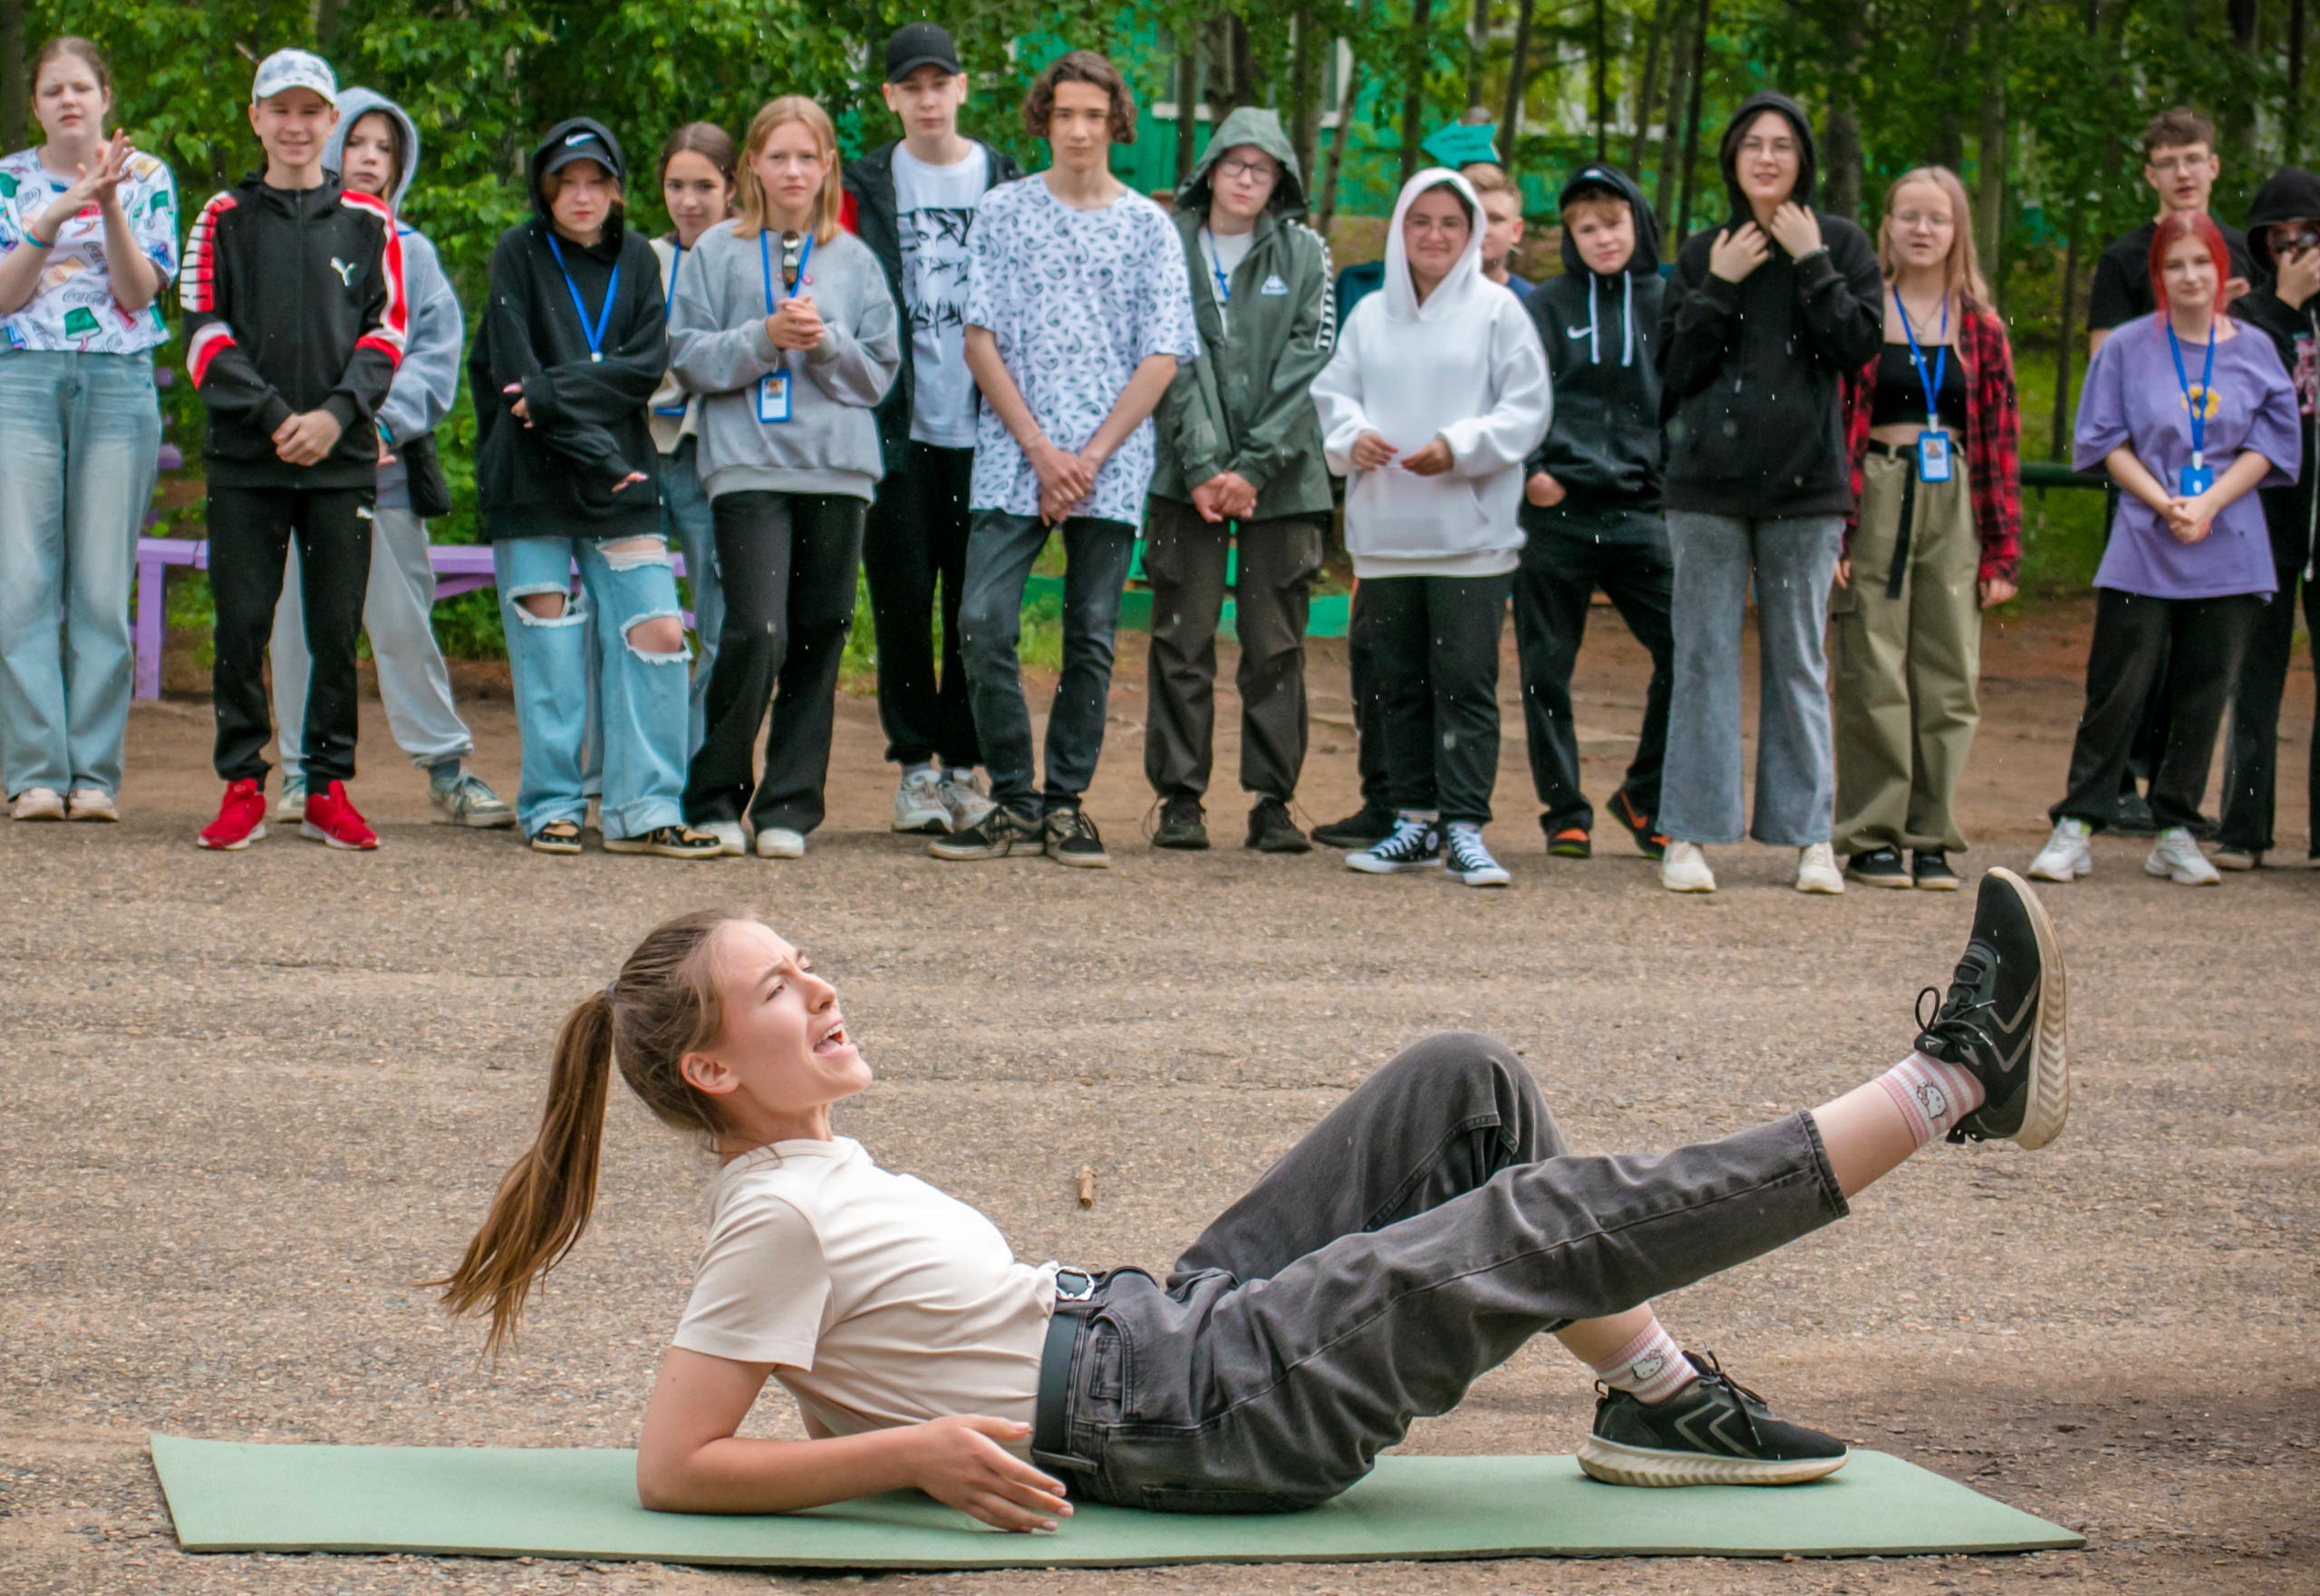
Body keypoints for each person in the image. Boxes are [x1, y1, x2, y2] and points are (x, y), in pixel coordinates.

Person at [436, 868, 2070, 1522]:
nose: (823, 989)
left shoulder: (808, 1174)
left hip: (1160, 1336)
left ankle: (1658, 1399)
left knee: (1465, 1084)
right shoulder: (773, 1215)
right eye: (780, 990)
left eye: (808, 964)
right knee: (1533, 1224)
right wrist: (911, 1456)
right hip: (1192, 1416)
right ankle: (1954, 1083)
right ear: (709, 1066)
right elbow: (677, 1464)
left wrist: (900, 1414)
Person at [928, 51, 1197, 869]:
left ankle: (1066, 805)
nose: (1079, 130)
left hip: (1109, 462)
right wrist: (1043, 452)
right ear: (1044, 119)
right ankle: (1013, 798)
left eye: (1094, 115)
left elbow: (1162, 355)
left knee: (1091, 633)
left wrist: (1089, 457)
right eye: (1064, 113)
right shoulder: (1003, 211)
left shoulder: (1148, 227)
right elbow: (979, 339)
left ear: (1117, 123)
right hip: (1016, 454)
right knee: (981, 621)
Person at [469, 118, 719, 859]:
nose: (581, 196)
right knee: (547, 638)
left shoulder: (638, 258)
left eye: (595, 182)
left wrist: (553, 394)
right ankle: (553, 803)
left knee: (658, 631)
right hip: (534, 478)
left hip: (624, 479)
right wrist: (574, 422)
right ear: (544, 189)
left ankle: (647, 806)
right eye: (566, 183)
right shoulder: (516, 252)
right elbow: (512, 379)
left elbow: (643, 369)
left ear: (616, 189)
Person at [1654, 91, 1882, 896]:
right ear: (1732, 158)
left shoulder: (1842, 244)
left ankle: (1810, 837)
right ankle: (1689, 834)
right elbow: (1672, 371)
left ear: (1804, 160)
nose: (1766, 158)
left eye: (1782, 145)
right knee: (1703, 661)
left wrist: (1813, 264)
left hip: (1806, 491)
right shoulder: (1703, 251)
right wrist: (1718, 286)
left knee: (1798, 663)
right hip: (1706, 490)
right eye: (1752, 143)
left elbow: (1859, 347)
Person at [265, 88, 511, 832]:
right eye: (357, 142)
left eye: (385, 148)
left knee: (402, 623)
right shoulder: (279, 237)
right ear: (327, 144)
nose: (370, 158)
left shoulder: (413, 252)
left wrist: (381, 426)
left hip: (382, 471)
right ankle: (301, 773)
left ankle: (446, 770)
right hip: (291, 468)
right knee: (296, 624)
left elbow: (434, 357)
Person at [2029, 212, 2299, 887]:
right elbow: (2103, 438)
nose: (2189, 276)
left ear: (2223, 271)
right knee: (2119, 684)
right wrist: (2165, 502)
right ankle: (2078, 821)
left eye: (2201, 262)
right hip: (2145, 538)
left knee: (2205, 688)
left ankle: (2175, 826)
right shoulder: (2126, 347)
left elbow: (2272, 441)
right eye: (2174, 264)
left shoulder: (2256, 349)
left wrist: (2208, 504)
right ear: (2157, 274)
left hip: (2229, 539)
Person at [183, 49, 403, 853]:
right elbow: (202, 334)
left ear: (330, 120)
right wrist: (279, 416)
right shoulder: (221, 217)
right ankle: (243, 783)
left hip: (340, 460)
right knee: (242, 623)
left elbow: (388, 332)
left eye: (311, 111)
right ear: (256, 119)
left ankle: (326, 788)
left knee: (335, 630)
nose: (295, 124)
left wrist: (336, 417)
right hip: (248, 461)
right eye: (280, 109)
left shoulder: (369, 219)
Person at [669, 97, 900, 860]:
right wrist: (763, 338)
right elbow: (689, 356)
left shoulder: (856, 261)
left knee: (820, 631)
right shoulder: (716, 253)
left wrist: (826, 343)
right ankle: (714, 798)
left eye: (807, 157)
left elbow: (878, 375)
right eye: (778, 157)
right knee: (756, 629)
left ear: (828, 166)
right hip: (748, 465)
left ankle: (788, 808)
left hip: (839, 469)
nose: (793, 171)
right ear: (753, 167)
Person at [1310, 169, 1551, 889]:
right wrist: (1351, 436)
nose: (1435, 235)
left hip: (1470, 538)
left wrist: (1461, 445)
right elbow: (1334, 395)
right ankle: (1413, 821)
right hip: (1387, 536)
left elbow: (1527, 407)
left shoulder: (1499, 312)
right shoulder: (1370, 314)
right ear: (1400, 229)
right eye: (1421, 221)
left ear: (1473, 232)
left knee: (1465, 683)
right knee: (1399, 685)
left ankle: (1465, 828)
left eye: (1451, 222)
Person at [844, 24, 1022, 838]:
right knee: (903, 602)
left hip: (987, 430)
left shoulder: (1007, 182)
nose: (926, 100)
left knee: (972, 608)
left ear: (961, 88)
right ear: (890, 97)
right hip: (896, 429)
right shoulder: (863, 185)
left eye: (938, 84)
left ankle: (963, 765)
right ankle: (915, 768)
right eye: (909, 87)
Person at [1143, 108, 1336, 856]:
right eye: (1235, 164)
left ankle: (1273, 801)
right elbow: (1168, 357)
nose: (1247, 179)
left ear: (1280, 178)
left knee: (1275, 642)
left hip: (1282, 479)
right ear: (1212, 169)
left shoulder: (1306, 252)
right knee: (1181, 635)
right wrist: (1203, 467)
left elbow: (1308, 362)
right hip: (1184, 476)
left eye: (1263, 168)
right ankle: (1180, 797)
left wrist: (1252, 467)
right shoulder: (1170, 244)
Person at [0, 36, 174, 825]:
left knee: (102, 587)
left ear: (105, 98)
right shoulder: (9, 180)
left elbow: (137, 293)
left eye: (80, 88)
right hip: (22, 382)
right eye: (52, 91)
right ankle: (35, 773)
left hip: (116, 385)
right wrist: (55, 211)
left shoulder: (147, 177)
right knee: (22, 583)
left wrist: (106, 204)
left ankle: (94, 776)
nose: (68, 101)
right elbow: (5, 298)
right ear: (36, 106)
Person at [1832, 167, 2020, 892]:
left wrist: (2002, 550)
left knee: (1949, 672)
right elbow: (1838, 426)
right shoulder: (1862, 313)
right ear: (1887, 226)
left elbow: (2001, 441)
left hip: (1955, 496)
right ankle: (1872, 833)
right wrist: (1839, 530)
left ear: (1956, 230)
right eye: (1908, 215)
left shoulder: (1981, 326)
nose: (1921, 229)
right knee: (1871, 665)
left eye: (1936, 218)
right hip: (1877, 487)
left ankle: (1931, 832)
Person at [2086, 108, 2257, 837]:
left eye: (2193, 158)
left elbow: (2257, 363)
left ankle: (2176, 798)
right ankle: (2115, 785)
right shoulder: (2124, 260)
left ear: (2214, 165)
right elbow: (2104, 362)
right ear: (2148, 172)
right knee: (2134, 646)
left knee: (2206, 651)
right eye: (2168, 161)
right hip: (2144, 478)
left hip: (2225, 486)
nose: (2183, 173)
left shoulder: (2244, 254)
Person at [1514, 162, 1672, 864]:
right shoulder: (1545, 306)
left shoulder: (1668, 302)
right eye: (1586, 228)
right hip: (1559, 513)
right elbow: (1515, 395)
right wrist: (1531, 472)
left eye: (1612, 223)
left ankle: (1644, 796)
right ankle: (1565, 811)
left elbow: (1686, 398)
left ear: (1637, 222)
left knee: (1687, 647)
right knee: (1546, 666)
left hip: (1640, 510)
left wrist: (1665, 481)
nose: (1602, 238)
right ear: (1569, 237)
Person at [2214, 167, 2320, 869]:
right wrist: (2285, 305)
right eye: (2279, 239)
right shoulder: (2249, 317)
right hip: (2268, 526)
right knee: (2255, 679)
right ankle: (2244, 829)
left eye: (2307, 236)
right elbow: (2249, 395)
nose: (2294, 250)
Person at [650, 121, 740, 757]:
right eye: (676, 186)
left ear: (731, 187)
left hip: (718, 458)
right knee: (635, 621)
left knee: (722, 623)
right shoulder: (641, 260)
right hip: (646, 452)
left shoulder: (751, 255)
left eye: (704, 186)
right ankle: (634, 765)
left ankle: (699, 763)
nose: (688, 201)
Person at [1462, 163, 1533, 299]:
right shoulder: (1423, 298)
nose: (1482, 230)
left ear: (1516, 230)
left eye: (1495, 219)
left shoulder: (1532, 303)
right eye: (1472, 218)